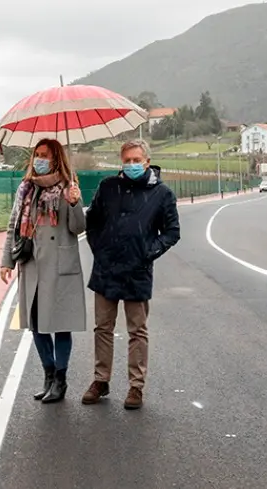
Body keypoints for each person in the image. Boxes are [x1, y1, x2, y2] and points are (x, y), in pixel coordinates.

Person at [82, 139, 180, 410]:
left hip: (137, 271)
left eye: (137, 160)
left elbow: (172, 232)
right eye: (127, 160)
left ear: (147, 162)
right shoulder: (108, 187)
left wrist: (148, 252)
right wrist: (99, 249)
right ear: (121, 162)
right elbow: (93, 221)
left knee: (137, 330)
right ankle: (100, 380)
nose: (132, 165)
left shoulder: (162, 194)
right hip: (106, 269)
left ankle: (136, 386)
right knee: (102, 327)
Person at [0, 138, 87, 403]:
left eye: (45, 155)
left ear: (56, 158)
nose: (39, 159)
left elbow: (78, 227)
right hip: (33, 265)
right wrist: (6, 261)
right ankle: (48, 374)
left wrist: (74, 202)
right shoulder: (26, 189)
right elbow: (13, 226)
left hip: (59, 266)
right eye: (36, 154)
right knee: (37, 326)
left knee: (61, 325)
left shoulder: (68, 187)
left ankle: (60, 380)